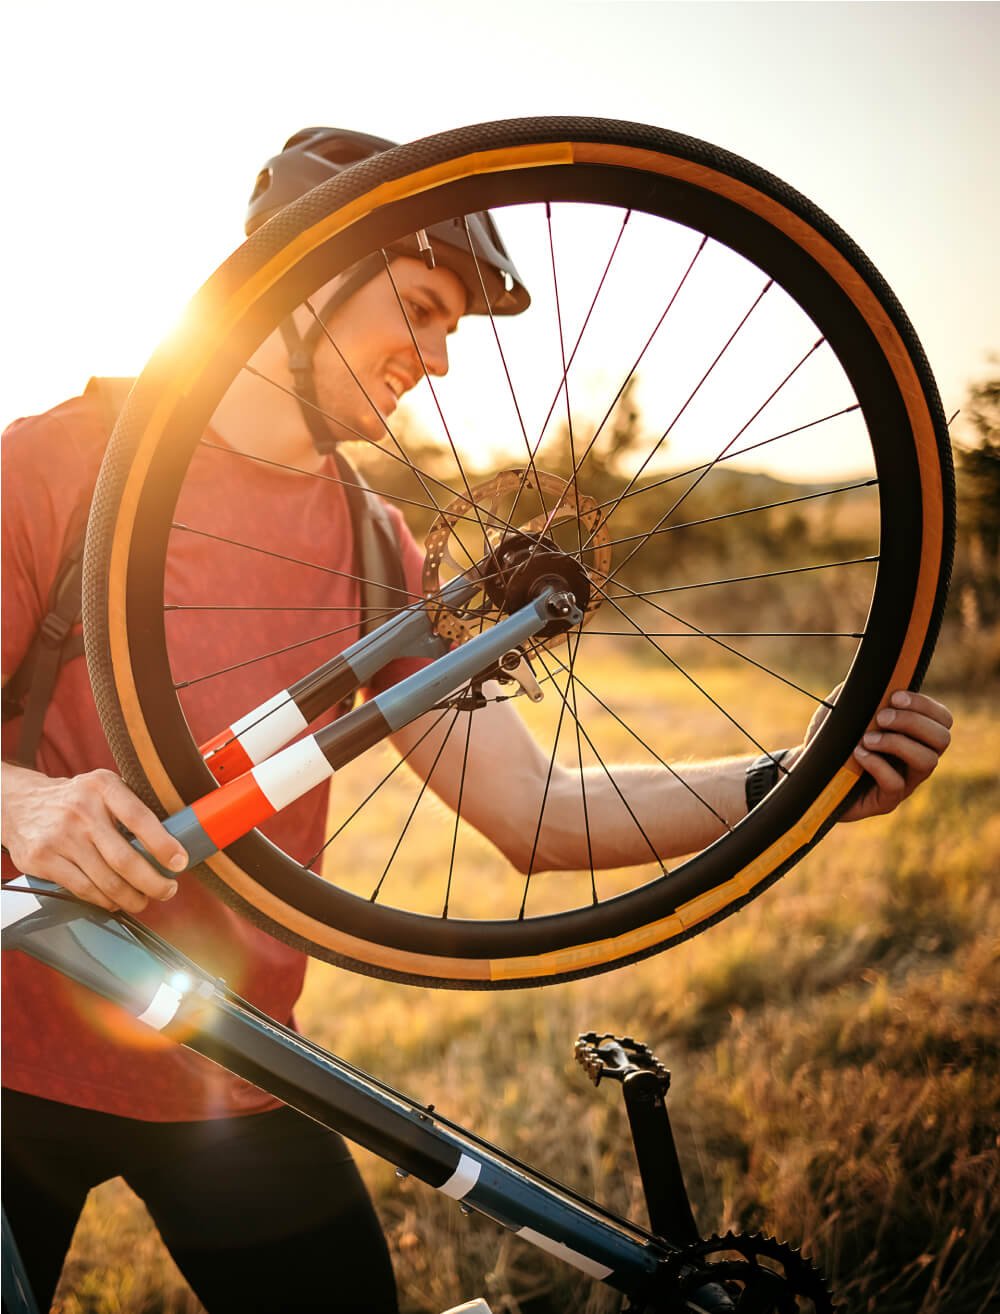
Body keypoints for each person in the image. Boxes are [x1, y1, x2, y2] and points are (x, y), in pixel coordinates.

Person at [1, 128, 954, 1313]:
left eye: (451, 328)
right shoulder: (59, 467)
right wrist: (29, 801)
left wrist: (794, 779)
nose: (437, 360)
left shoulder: (374, 546)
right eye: (418, 307)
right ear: (297, 275)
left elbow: (533, 808)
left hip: (225, 1060)